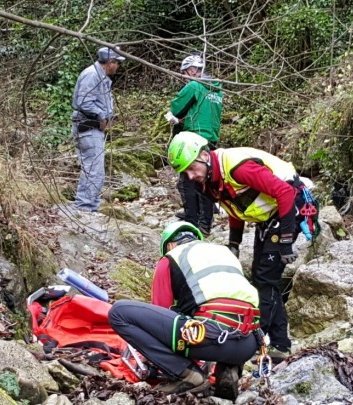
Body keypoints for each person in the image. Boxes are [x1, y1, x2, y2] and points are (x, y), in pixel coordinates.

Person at [165, 132, 320, 363]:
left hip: (289, 207)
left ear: (205, 155)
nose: (190, 176)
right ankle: (279, 344)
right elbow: (234, 206)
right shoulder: (209, 178)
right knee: (262, 279)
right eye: (184, 172)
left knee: (265, 279)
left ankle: (261, 342)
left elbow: (285, 192)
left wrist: (287, 238)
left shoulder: (238, 168)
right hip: (268, 217)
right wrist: (234, 244)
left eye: (191, 168)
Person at [108, 221, 260, 398]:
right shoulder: (225, 253)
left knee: (119, 312)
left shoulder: (171, 257)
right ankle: (228, 370)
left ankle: (187, 374)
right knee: (231, 315)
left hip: (206, 337)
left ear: (170, 244)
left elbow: (160, 311)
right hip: (248, 344)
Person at [165, 54, 223, 235]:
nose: (183, 77)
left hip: (193, 138)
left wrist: (174, 119)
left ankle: (192, 220)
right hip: (211, 138)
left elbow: (176, 108)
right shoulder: (216, 89)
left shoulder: (194, 86)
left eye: (184, 73)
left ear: (192, 70)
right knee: (205, 180)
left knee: (187, 181)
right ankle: (205, 220)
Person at [71, 47, 125, 212]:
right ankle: (84, 208)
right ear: (110, 62)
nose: (118, 67)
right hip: (88, 127)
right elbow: (83, 102)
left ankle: (89, 206)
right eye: (117, 63)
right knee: (93, 170)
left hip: (92, 128)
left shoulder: (100, 76)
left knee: (95, 169)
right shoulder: (92, 75)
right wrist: (101, 116)